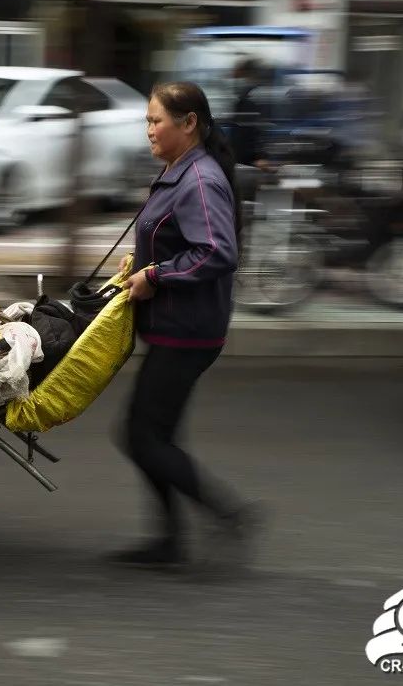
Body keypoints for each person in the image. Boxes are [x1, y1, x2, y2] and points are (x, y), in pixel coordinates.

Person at [113, 80, 258, 569]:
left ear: (188, 122)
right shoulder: (181, 169)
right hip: (177, 324)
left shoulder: (200, 179)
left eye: (156, 121)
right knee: (154, 436)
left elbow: (217, 252)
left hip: (188, 330)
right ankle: (171, 542)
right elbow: (175, 236)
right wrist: (141, 261)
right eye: (147, 121)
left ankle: (228, 513)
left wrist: (155, 275)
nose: (149, 130)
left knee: (141, 435)